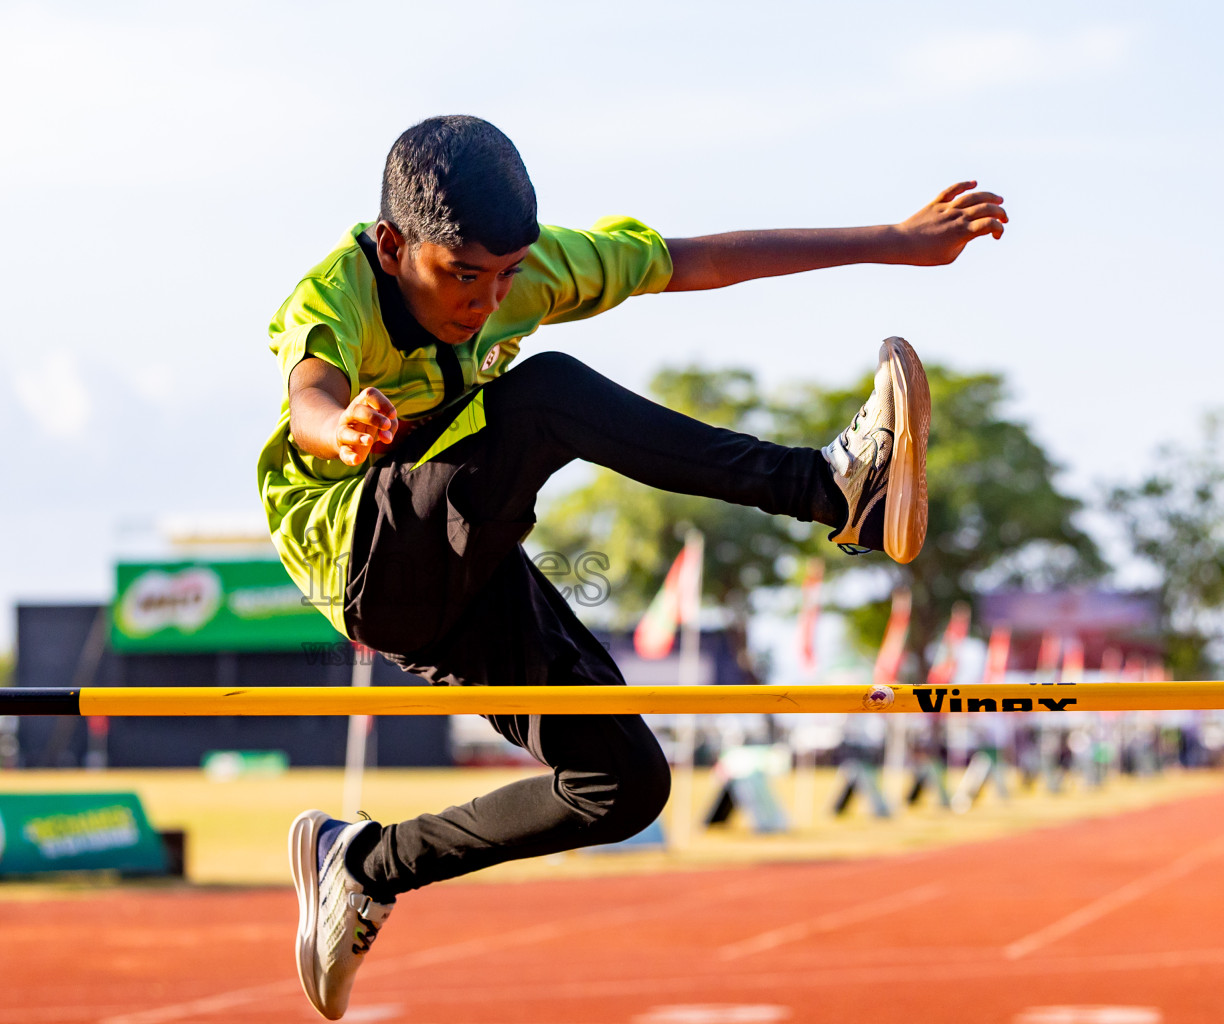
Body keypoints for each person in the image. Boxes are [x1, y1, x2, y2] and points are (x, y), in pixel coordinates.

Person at [258, 114, 1007, 1020]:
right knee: (545, 396)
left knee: (622, 782)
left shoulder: (528, 272)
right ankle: (828, 489)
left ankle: (366, 864)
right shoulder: (335, 293)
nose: (488, 301)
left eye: (505, 277)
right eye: (463, 276)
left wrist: (893, 242)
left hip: (466, 561)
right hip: (366, 557)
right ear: (393, 245)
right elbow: (309, 389)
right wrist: (337, 427)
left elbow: (700, 261)